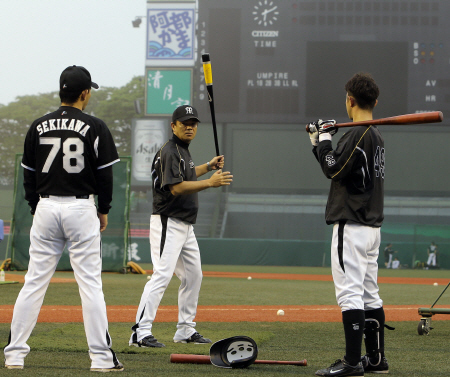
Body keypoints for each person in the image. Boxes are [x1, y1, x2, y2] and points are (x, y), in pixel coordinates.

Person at [4, 66, 123, 372]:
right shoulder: (95, 126)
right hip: (80, 208)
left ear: (61, 91)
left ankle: (14, 355)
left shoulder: (38, 125)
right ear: (85, 93)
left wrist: (35, 205)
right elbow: (105, 176)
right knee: (90, 285)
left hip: (45, 207)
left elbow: (27, 175)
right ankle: (100, 358)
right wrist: (104, 209)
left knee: (33, 283)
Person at [130, 105, 233, 348]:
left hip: (185, 225)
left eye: (193, 123)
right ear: (173, 125)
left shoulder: (182, 151)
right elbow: (176, 187)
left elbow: (186, 174)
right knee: (161, 275)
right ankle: (140, 332)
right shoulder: (170, 151)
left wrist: (207, 166)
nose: (190, 126)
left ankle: (185, 330)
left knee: (193, 275)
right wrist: (210, 182)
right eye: (185, 122)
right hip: (169, 220)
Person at [308, 73, 388, 376]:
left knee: (350, 294)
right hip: (371, 227)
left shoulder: (358, 134)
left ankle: (353, 362)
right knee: (370, 293)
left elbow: (332, 169)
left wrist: (325, 139)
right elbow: (336, 165)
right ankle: (376, 360)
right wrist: (319, 143)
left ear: (349, 100)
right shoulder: (376, 135)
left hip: (351, 224)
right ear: (375, 102)